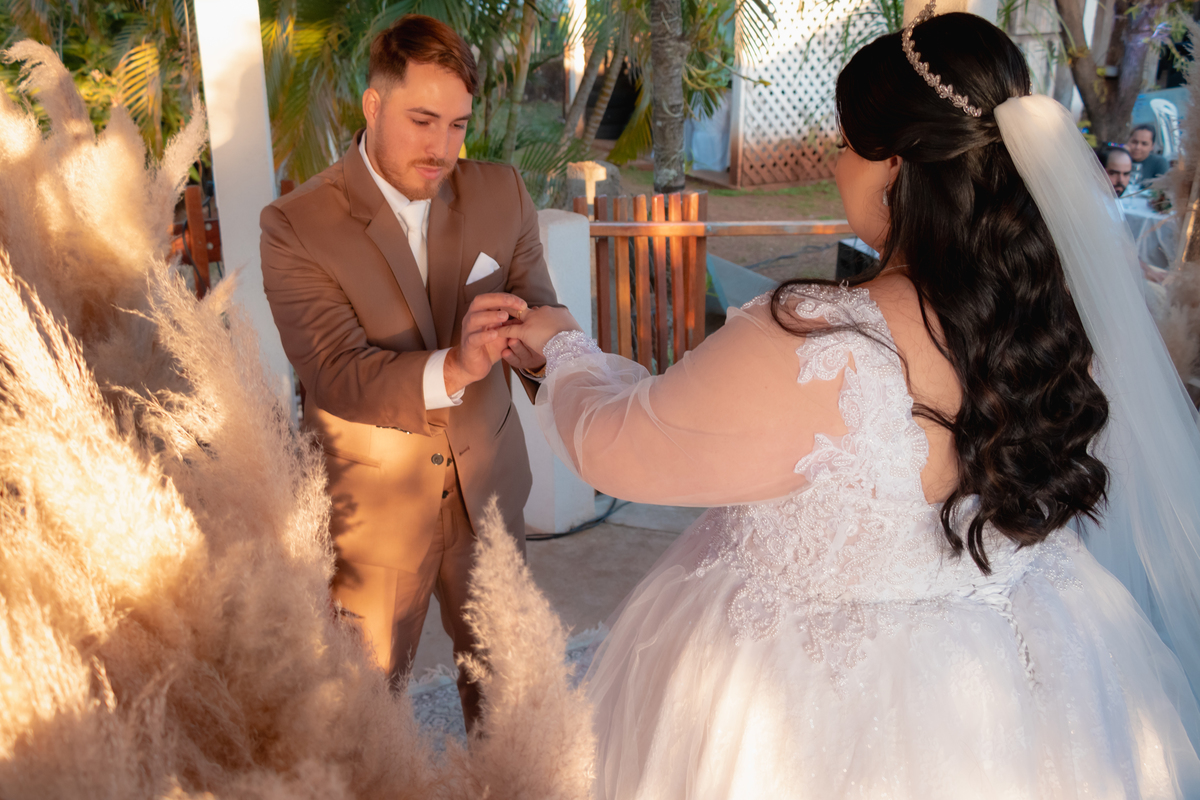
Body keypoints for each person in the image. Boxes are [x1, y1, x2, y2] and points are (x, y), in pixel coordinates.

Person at [501, 8, 1200, 797]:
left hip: (806, 707)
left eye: (843, 143)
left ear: (895, 166)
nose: (834, 164)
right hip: (1040, 676)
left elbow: (618, 445)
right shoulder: (1057, 323)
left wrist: (559, 349)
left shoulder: (818, 344)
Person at [259, 14, 556, 728]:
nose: (443, 147)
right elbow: (338, 373)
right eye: (424, 120)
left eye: (458, 125)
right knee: (363, 718)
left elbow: (542, 312)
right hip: (374, 514)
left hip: (489, 494)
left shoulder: (502, 193)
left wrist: (556, 351)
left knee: (507, 705)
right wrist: (455, 363)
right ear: (374, 104)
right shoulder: (296, 226)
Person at [1127, 122, 1170, 189]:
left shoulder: (1159, 163)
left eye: (1144, 144)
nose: (1137, 147)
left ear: (1152, 146)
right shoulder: (1119, 160)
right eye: (1134, 142)